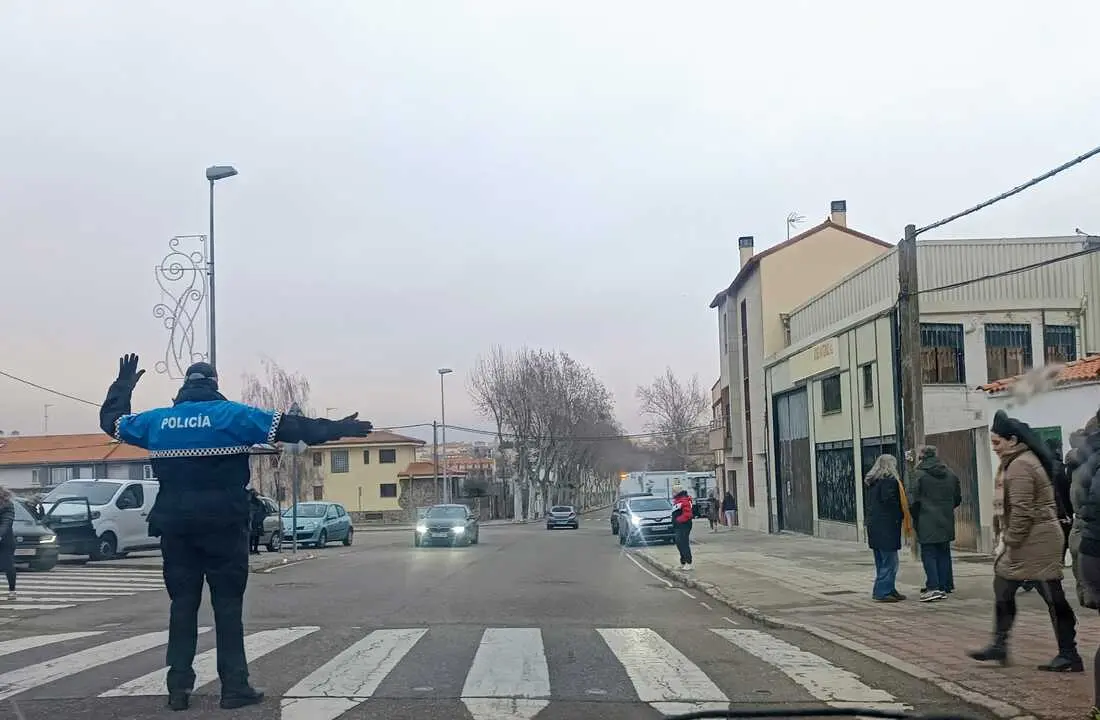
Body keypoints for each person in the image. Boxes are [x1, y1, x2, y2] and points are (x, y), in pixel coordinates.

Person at [99, 354, 374, 711]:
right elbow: (294, 428)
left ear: (184, 388)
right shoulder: (235, 416)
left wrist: (122, 386)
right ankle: (234, 687)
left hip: (176, 528)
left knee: (182, 606)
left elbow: (112, 423)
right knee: (228, 607)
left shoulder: (157, 422)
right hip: (224, 526)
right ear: (215, 384)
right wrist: (338, 428)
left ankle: (178, 690)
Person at [969, 410, 1082, 672]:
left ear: (1012, 440)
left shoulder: (1020, 465)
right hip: (1033, 538)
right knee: (1004, 589)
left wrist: (1010, 539)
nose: (994, 448)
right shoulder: (1020, 460)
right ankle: (1000, 644)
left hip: (1036, 541)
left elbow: (1021, 509)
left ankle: (1069, 653)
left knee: (1052, 596)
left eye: (997, 442)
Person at [910, 445, 961, 602]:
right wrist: (946, 508)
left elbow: (913, 500)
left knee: (929, 553)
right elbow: (957, 498)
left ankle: (933, 586)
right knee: (944, 552)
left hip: (926, 518)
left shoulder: (919, 474)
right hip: (946, 518)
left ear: (922, 457)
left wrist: (917, 516)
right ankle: (945, 584)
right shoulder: (950, 474)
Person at [864, 454, 909, 603]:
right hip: (887, 526)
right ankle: (882, 591)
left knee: (881, 560)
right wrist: (901, 515)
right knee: (891, 561)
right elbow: (890, 502)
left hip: (874, 526)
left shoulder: (873, 482)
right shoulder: (889, 482)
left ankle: (889, 588)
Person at [671, 487, 694, 570]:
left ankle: (688, 562)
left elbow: (688, 514)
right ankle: (683, 562)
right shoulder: (677, 501)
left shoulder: (684, 500)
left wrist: (678, 520)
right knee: (679, 543)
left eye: (673, 492)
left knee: (683, 543)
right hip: (679, 526)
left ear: (677, 492)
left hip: (684, 525)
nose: (672, 493)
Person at [0, 487, 15, 601]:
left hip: (5, 540)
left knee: (8, 565)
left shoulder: (7, 505)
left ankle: (12, 590)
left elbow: (7, 522)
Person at [248, 489, 265, 555]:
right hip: (251, 522)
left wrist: (261, 518)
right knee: (251, 537)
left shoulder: (259, 503)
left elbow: (264, 512)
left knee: (257, 536)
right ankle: (250, 550)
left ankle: (255, 549)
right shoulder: (248, 503)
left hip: (257, 522)